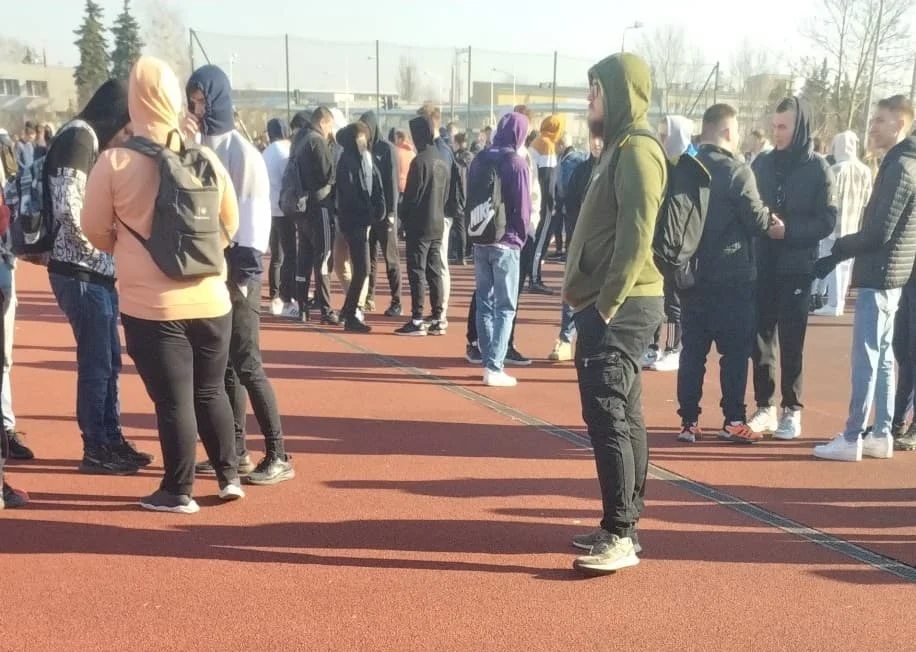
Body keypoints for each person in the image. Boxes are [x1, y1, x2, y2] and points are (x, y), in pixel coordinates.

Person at [82, 56, 242, 513]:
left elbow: (93, 229)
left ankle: (177, 490)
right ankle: (229, 475)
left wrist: (129, 248)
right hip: (212, 298)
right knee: (211, 390)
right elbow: (230, 224)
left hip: (152, 304)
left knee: (173, 401)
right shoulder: (204, 157)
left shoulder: (114, 162)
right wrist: (202, 258)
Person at [563, 53, 666, 575]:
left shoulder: (637, 151)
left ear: (619, 94)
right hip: (615, 302)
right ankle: (620, 524)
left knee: (609, 416)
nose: (589, 100)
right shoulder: (618, 148)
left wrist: (605, 304)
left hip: (621, 305)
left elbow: (636, 237)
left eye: (596, 91)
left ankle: (621, 532)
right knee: (622, 413)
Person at [184, 65, 294, 485]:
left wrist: (242, 276)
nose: (197, 109)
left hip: (238, 272)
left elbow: (253, 220)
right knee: (225, 366)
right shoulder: (196, 146)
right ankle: (236, 450)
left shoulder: (242, 152)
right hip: (209, 272)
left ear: (217, 101)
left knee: (247, 363)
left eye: (201, 101)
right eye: (192, 102)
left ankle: (278, 453)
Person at [47, 79, 153, 475]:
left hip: (95, 271)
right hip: (79, 270)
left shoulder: (89, 140)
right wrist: (106, 249)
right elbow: (68, 209)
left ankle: (111, 437)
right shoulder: (79, 138)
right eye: (125, 129)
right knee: (96, 364)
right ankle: (96, 446)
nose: (125, 138)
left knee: (109, 361)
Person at [813, 96, 916, 461]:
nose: (872, 127)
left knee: (867, 359)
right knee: (883, 357)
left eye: (880, 120)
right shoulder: (902, 163)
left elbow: (879, 232)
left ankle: (853, 435)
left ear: (900, 125)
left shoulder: (900, 166)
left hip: (881, 274)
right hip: (891, 275)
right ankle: (882, 433)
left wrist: (838, 249)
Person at [676, 104, 771, 444]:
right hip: (732, 276)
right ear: (728, 132)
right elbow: (756, 220)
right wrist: (771, 219)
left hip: (691, 274)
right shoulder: (737, 171)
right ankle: (733, 418)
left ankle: (688, 421)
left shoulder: (683, 169)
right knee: (734, 354)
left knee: (692, 353)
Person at [748, 97, 837, 440]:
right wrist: (762, 222)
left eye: (783, 126)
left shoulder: (818, 168)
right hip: (763, 262)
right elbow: (749, 204)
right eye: (774, 126)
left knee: (791, 339)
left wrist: (790, 231)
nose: (777, 132)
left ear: (799, 127)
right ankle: (765, 406)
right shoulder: (763, 163)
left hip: (797, 265)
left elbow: (827, 220)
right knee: (761, 336)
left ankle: (792, 409)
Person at [465, 104, 541, 367]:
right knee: (506, 306)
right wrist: (519, 238)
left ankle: (486, 355)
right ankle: (495, 364)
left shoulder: (480, 158)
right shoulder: (516, 162)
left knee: (484, 302)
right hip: (506, 241)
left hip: (481, 236)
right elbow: (523, 207)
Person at [642, 115, 697, 373]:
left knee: (673, 300)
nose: (660, 139)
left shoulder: (688, 168)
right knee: (656, 297)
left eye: (665, 135)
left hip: (676, 246)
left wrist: (680, 245)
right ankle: (651, 346)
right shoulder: (661, 164)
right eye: (659, 134)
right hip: (656, 242)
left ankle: (674, 348)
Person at [395, 115, 449, 336]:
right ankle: (438, 316)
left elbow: (411, 196)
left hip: (419, 224)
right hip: (438, 222)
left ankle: (417, 318)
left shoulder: (419, 162)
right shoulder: (442, 159)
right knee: (434, 271)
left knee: (416, 271)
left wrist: (403, 218)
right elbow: (446, 194)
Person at [549, 136, 600, 362]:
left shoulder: (617, 169)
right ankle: (565, 338)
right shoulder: (581, 170)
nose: (597, 144)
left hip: (605, 245)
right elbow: (569, 204)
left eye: (601, 139)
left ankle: (596, 343)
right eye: (593, 139)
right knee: (571, 289)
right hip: (580, 241)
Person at [811, 131, 873, 316]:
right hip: (854, 222)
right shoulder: (865, 170)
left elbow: (826, 198)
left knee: (832, 262)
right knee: (846, 264)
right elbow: (867, 199)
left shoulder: (836, 169)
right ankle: (839, 301)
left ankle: (833, 303)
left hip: (834, 224)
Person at [288, 107, 339, 325]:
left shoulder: (298, 140)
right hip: (320, 205)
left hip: (302, 207)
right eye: (330, 126)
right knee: (323, 257)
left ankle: (302, 307)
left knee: (304, 258)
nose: (330, 131)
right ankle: (326, 310)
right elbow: (328, 174)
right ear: (323, 122)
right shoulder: (318, 142)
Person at [416, 103, 464, 324]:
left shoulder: (441, 149)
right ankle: (438, 310)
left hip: (441, 213)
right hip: (436, 212)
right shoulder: (437, 147)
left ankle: (441, 312)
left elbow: (441, 183)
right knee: (434, 262)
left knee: (439, 262)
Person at [336, 122, 385, 333]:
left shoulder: (359, 159)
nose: (364, 141)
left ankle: (348, 310)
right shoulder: (348, 162)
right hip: (354, 221)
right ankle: (350, 313)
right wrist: (369, 211)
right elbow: (352, 195)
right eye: (361, 137)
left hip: (358, 221)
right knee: (362, 269)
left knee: (362, 269)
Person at [360, 111, 401, 318]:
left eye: (366, 128)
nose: (364, 132)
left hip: (386, 214)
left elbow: (393, 181)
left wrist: (392, 212)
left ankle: (397, 300)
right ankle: (369, 297)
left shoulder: (387, 149)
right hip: (370, 213)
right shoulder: (363, 149)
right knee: (370, 257)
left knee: (391, 258)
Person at [529, 115, 565, 294]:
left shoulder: (536, 142)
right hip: (543, 205)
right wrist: (551, 205)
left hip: (533, 201)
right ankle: (535, 278)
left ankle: (532, 274)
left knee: (534, 240)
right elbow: (549, 179)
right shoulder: (547, 146)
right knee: (541, 241)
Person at [262, 118, 294, 316]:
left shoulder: (266, 152)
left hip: (270, 207)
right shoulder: (285, 151)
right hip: (284, 208)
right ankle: (286, 294)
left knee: (276, 255)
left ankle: (275, 294)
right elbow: (288, 179)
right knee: (289, 254)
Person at [451, 132, 473, 265]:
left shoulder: (459, 158)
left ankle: (461, 255)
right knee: (463, 226)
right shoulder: (470, 157)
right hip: (468, 196)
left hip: (460, 196)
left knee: (460, 227)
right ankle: (463, 253)